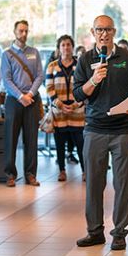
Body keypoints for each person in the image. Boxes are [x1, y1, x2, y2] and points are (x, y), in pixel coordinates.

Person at [73, 15, 128, 251]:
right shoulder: (85, 59)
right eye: (99, 30)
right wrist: (93, 81)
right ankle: (95, 232)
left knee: (123, 183)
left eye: (107, 29)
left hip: (123, 129)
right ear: (93, 32)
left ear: (114, 31)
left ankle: (119, 233)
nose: (103, 34)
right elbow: (78, 94)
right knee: (94, 183)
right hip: (94, 129)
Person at [0, 20, 43, 187]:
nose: (23, 34)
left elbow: (40, 76)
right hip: (14, 100)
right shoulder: (7, 54)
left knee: (31, 139)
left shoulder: (34, 52)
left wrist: (30, 94)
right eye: (20, 31)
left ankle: (30, 174)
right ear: (14, 31)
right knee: (11, 138)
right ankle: (10, 174)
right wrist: (20, 96)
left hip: (32, 99)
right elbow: (7, 79)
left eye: (26, 31)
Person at [45, 35, 85, 182]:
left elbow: (85, 87)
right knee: (59, 142)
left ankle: (84, 170)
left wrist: (75, 104)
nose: (66, 47)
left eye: (68, 45)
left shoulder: (80, 64)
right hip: (59, 111)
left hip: (77, 110)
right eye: (63, 45)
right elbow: (49, 88)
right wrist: (60, 104)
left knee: (80, 143)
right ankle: (62, 170)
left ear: (72, 47)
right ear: (59, 48)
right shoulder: (52, 66)